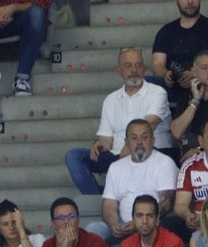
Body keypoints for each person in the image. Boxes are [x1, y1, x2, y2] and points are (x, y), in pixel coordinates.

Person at [66, 47, 174, 197]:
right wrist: (99, 145)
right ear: (119, 70)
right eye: (128, 66)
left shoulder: (157, 92)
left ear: (144, 69)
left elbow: (149, 125)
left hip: (150, 152)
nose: (134, 70)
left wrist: (129, 147)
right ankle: (98, 198)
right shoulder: (111, 100)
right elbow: (106, 140)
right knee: (74, 156)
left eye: (138, 65)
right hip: (116, 156)